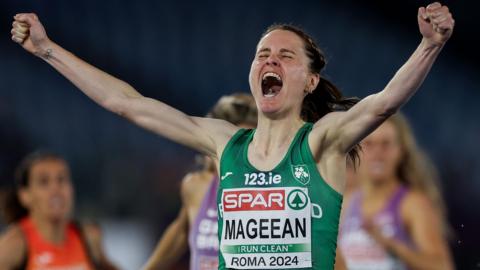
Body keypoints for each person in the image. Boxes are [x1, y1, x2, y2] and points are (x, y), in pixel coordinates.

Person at [10, 2, 454, 269]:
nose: (270, 62)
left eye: (285, 55)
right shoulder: (225, 143)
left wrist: (430, 45)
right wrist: (47, 50)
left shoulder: (321, 142)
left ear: (311, 81)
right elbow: (126, 103)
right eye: (263, 54)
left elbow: (385, 102)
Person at [142, 93, 257, 270]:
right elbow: (182, 229)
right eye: (234, 145)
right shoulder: (197, 187)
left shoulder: (273, 193)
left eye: (249, 144)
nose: (240, 156)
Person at [338, 114, 454, 270]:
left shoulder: (413, 204)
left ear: (400, 151)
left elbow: (442, 266)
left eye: (386, 144)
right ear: (356, 152)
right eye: (369, 144)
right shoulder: (344, 203)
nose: (377, 153)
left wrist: (393, 247)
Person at [0, 151, 118, 270]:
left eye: (61, 180)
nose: (55, 189)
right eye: (44, 182)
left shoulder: (88, 238)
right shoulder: (16, 244)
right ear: (25, 196)